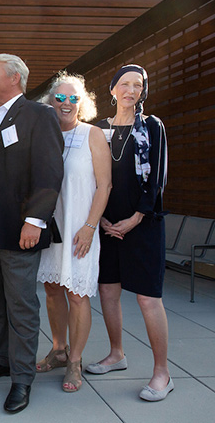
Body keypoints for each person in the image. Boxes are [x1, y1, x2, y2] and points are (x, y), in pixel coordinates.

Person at [0, 54, 63, 413]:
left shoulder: (38, 115)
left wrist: (35, 220)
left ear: (14, 77)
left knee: (21, 306)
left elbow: (49, 172)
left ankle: (22, 378)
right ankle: (2, 359)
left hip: (19, 229)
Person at [87, 64, 171, 402]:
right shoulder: (99, 130)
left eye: (138, 85)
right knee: (108, 293)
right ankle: (116, 354)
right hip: (108, 226)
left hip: (144, 224)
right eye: (124, 84)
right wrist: (103, 219)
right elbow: (93, 180)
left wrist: (136, 218)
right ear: (112, 89)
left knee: (148, 298)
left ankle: (162, 373)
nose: (131, 91)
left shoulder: (152, 127)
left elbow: (157, 180)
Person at [35, 72, 111, 392]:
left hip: (81, 228)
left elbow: (105, 185)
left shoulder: (93, 134)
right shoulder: (43, 134)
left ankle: (76, 361)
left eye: (73, 98)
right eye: (60, 98)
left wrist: (90, 226)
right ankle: (58, 348)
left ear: (83, 103)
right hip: (52, 228)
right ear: (50, 101)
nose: (66, 104)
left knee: (77, 295)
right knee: (53, 290)